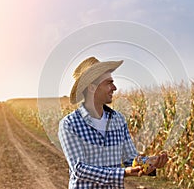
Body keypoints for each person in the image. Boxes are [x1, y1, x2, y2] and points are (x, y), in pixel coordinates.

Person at [58, 57, 168, 189]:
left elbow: (130, 159)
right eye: (109, 83)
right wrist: (123, 173)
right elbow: (79, 169)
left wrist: (150, 163)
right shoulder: (70, 124)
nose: (114, 88)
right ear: (92, 87)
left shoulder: (118, 120)